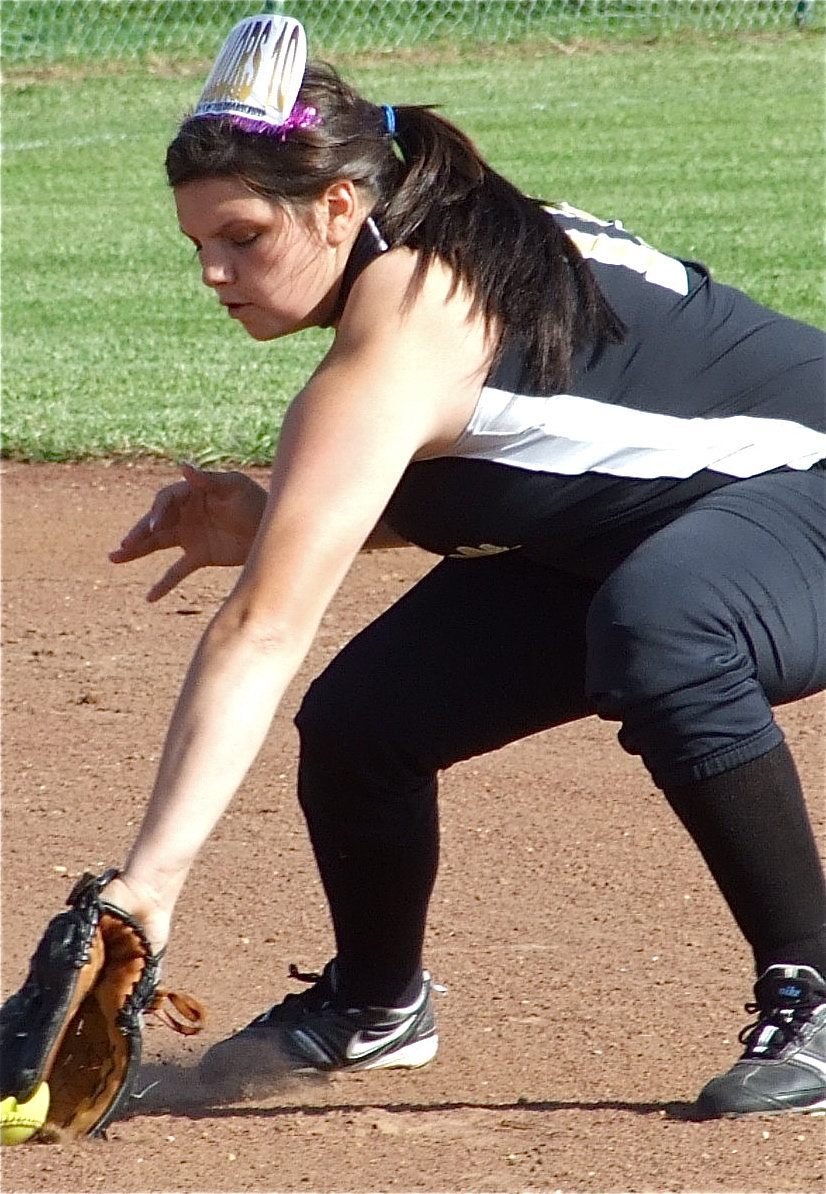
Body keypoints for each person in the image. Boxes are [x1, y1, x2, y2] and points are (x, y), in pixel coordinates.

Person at [100, 13, 826, 1117]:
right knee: (365, 721)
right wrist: (275, 518)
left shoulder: (416, 314)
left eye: (241, 237)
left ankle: (815, 987)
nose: (213, 271)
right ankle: (374, 1003)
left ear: (337, 205)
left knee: (665, 624)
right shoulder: (422, 250)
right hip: (681, 517)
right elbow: (579, 454)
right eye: (198, 243)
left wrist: (148, 885)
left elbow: (263, 629)